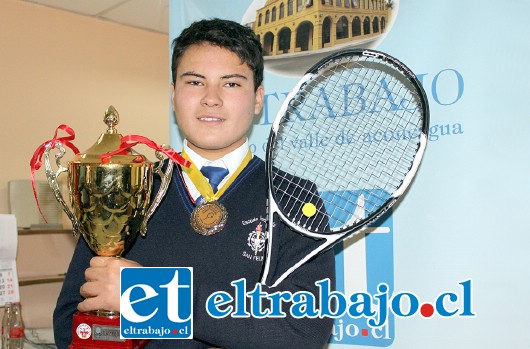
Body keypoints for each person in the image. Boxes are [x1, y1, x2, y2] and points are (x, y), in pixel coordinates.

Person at [53, 18, 335, 349]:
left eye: (231, 84)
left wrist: (149, 296)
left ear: (258, 99)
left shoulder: (292, 198)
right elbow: (70, 322)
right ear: (173, 94)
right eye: (195, 82)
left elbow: (303, 334)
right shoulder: (127, 187)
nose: (211, 98)